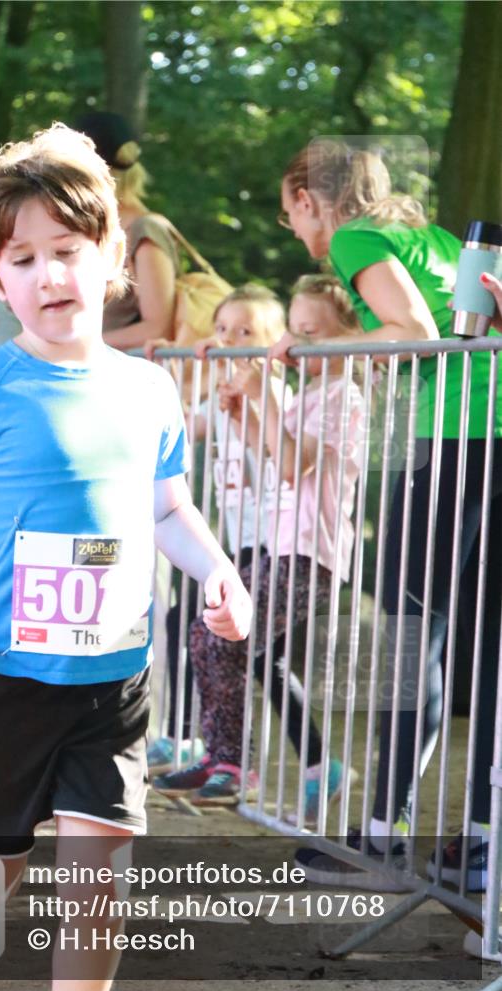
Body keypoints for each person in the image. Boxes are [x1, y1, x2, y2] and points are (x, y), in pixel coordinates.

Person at [0, 122, 252, 991]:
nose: (48, 275)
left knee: (99, 872)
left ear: (112, 253)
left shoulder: (149, 388)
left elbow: (168, 507)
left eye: (67, 251)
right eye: (22, 259)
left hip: (112, 680)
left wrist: (217, 571)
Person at [271, 140, 502, 891]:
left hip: (457, 439)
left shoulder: (355, 236)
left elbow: (411, 330)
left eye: (288, 214)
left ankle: (382, 840)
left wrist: (319, 347)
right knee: (485, 647)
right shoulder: (434, 239)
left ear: (307, 198)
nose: (293, 230)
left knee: (410, 635)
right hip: (490, 431)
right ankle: (478, 846)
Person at [156, 274, 365, 809]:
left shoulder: (341, 395)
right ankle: (228, 757)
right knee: (213, 633)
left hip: (308, 551)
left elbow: (292, 466)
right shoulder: (308, 394)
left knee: (217, 635)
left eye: (309, 334)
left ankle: (232, 759)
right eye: (294, 331)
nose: (294, 345)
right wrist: (240, 412)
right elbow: (273, 451)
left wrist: (256, 396)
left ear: (348, 337)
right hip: (279, 545)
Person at [148, 283, 288, 775]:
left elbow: (277, 451)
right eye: (223, 328)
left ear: (273, 340)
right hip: (239, 543)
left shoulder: (276, 394)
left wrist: (242, 388)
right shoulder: (224, 392)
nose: (230, 340)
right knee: (188, 625)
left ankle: (227, 755)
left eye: (245, 332)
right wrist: (170, 374)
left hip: (274, 543)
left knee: (246, 650)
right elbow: (185, 425)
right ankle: (188, 738)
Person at [75, 112, 179, 349]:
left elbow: (158, 329)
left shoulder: (145, 230)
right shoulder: (98, 231)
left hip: (125, 369)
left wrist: (76, 346)